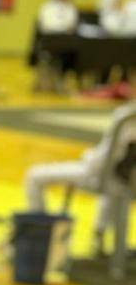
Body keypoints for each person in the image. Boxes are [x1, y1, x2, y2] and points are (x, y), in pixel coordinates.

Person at [23, 100, 136, 257]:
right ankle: (99, 237)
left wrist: (87, 156)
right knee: (113, 184)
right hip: (123, 181)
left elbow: (102, 163)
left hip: (102, 176)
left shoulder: (126, 116)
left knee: (33, 176)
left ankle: (38, 239)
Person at [32, 0, 79, 94]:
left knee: (75, 53)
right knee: (59, 53)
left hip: (67, 40)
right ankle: (54, 83)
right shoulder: (48, 7)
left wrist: (67, 27)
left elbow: (73, 24)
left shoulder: (71, 7)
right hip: (50, 40)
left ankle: (62, 81)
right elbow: (47, 25)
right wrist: (63, 27)